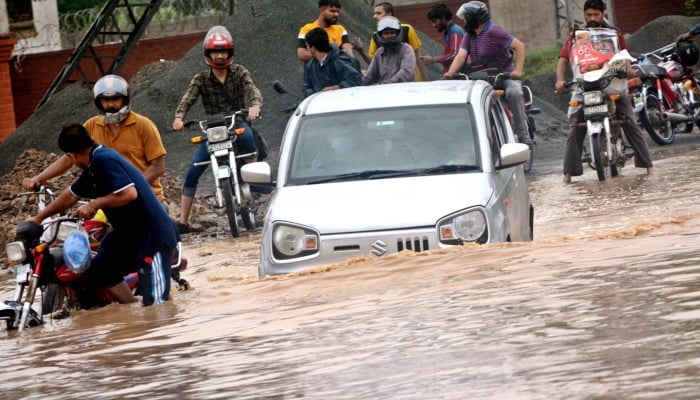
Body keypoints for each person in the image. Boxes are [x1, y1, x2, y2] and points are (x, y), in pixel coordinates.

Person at [30, 124, 178, 306]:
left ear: (71, 155)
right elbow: (70, 195)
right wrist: (38, 218)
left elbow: (129, 194)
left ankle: (150, 312)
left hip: (153, 236)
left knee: (157, 307)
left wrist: (95, 203)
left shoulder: (103, 159)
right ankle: (132, 309)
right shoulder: (93, 166)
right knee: (101, 270)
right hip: (129, 235)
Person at [23, 74, 168, 204]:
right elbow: (69, 159)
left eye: (115, 99)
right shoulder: (92, 125)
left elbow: (158, 167)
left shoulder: (144, 125)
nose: (110, 105)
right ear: (99, 102)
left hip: (147, 198)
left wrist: (131, 187)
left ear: (125, 100)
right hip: (111, 200)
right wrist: (38, 178)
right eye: (106, 100)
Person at [172, 26, 261, 234]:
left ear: (230, 53)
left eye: (224, 52)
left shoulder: (239, 72)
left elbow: (252, 89)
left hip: (236, 123)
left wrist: (255, 105)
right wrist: (179, 118)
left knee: (248, 137)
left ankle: (253, 183)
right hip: (213, 129)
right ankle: (184, 221)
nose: (220, 56)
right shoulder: (200, 79)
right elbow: (188, 98)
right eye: (215, 52)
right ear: (208, 54)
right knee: (193, 170)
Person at [555, 0, 653, 183]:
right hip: (584, 87)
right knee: (575, 125)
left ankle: (648, 167)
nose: (592, 18)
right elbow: (562, 60)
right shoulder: (576, 36)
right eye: (589, 15)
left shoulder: (614, 33)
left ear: (603, 14)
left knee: (630, 121)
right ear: (584, 15)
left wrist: (628, 70)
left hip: (612, 84)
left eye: (596, 15)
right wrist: (560, 80)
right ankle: (568, 174)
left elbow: (624, 56)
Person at [443, 1, 533, 146]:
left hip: (503, 76)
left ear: (473, 18)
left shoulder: (494, 31)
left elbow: (519, 46)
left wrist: (518, 70)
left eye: (465, 18)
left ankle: (522, 133)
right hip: (482, 79)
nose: (464, 22)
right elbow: (460, 56)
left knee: (514, 92)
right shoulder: (469, 35)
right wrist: (450, 73)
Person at [351, 2, 429, 81]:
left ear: (388, 14)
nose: (374, 16)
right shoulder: (376, 38)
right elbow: (374, 65)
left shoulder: (407, 30)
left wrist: (425, 80)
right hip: (387, 85)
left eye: (378, 13)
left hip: (408, 82)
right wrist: (362, 52)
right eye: (385, 33)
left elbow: (418, 56)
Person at [302, 27, 362, 97]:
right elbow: (306, 87)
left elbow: (356, 80)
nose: (307, 48)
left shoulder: (339, 60)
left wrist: (335, 88)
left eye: (307, 46)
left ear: (313, 47)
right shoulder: (310, 65)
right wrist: (316, 95)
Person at [362, 16, 415, 85]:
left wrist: (390, 82)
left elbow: (406, 72)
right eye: (386, 33)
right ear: (380, 35)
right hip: (384, 92)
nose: (389, 36)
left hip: (403, 90)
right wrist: (358, 84)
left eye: (392, 32)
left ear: (398, 34)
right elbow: (370, 75)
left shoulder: (406, 49)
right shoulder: (379, 52)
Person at [419, 2, 464, 73]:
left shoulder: (455, 31)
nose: (434, 25)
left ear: (443, 18)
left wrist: (433, 60)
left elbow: (455, 55)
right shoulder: (449, 32)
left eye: (434, 21)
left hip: (458, 76)